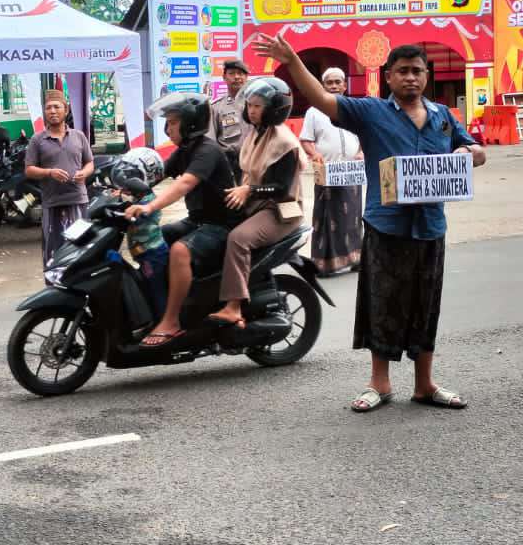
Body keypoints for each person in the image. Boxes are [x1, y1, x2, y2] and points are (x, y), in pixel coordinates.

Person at [256, 33, 485, 414]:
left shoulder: (444, 118)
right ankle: (379, 382)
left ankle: (424, 384)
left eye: (417, 71)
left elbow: (476, 150)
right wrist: (293, 60)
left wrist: (468, 152)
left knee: (426, 305)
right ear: (388, 77)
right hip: (386, 226)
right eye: (403, 71)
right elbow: (323, 100)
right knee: (382, 304)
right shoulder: (371, 112)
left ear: (426, 76)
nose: (410, 77)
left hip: (430, 227)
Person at [126, 92, 235, 346]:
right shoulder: (185, 149)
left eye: (174, 122)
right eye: (168, 122)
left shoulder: (207, 150)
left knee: (179, 251)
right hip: (197, 221)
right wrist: (123, 190)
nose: (168, 128)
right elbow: (156, 175)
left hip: (221, 225)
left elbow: (184, 184)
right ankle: (159, 305)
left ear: (191, 123)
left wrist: (150, 206)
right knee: (156, 240)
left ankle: (172, 321)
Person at [208, 77, 303, 328]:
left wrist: (249, 190)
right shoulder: (255, 134)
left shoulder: (285, 143)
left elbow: (280, 189)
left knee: (238, 239)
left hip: (280, 211)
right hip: (257, 205)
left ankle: (233, 306)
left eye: (258, 106)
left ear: (275, 109)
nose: (251, 110)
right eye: (249, 105)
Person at [25, 90, 95, 282]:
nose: (53, 111)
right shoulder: (37, 140)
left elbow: (90, 163)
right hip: (52, 203)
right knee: (54, 250)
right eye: (48, 108)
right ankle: (54, 288)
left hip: (78, 201)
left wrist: (84, 173)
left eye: (57, 107)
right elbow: (29, 170)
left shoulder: (79, 136)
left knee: (81, 246)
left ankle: (81, 285)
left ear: (66, 110)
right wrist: (49, 172)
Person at [299, 67, 363, 275]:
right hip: (327, 172)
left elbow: (364, 136)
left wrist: (361, 152)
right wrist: (315, 154)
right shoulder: (314, 112)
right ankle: (325, 264)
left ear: (344, 85)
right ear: (323, 85)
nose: (334, 86)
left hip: (351, 172)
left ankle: (356, 258)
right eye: (329, 82)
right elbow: (306, 140)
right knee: (328, 217)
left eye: (338, 82)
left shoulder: (354, 108)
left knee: (353, 217)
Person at [109, 148, 169, 318]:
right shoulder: (139, 197)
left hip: (153, 254)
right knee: (146, 284)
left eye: (131, 178)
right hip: (143, 253)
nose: (126, 183)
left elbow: (136, 213)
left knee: (156, 289)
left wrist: (124, 205)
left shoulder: (149, 201)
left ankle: (162, 320)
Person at [210, 60, 252, 166]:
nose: (236, 77)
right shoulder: (216, 107)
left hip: (254, 160)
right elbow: (210, 141)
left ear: (246, 77)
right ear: (224, 77)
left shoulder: (257, 103)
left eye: (240, 73)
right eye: (232, 73)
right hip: (229, 163)